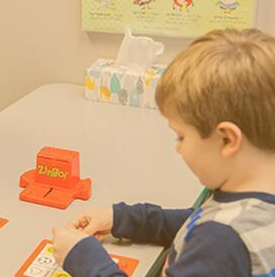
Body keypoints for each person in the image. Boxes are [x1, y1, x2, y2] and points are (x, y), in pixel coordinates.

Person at [52, 28, 275, 276]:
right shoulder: (254, 200)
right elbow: (195, 220)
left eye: (182, 136)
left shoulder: (220, 240)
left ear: (227, 139)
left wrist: (84, 259)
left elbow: (213, 232)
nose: (177, 147)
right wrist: (121, 218)